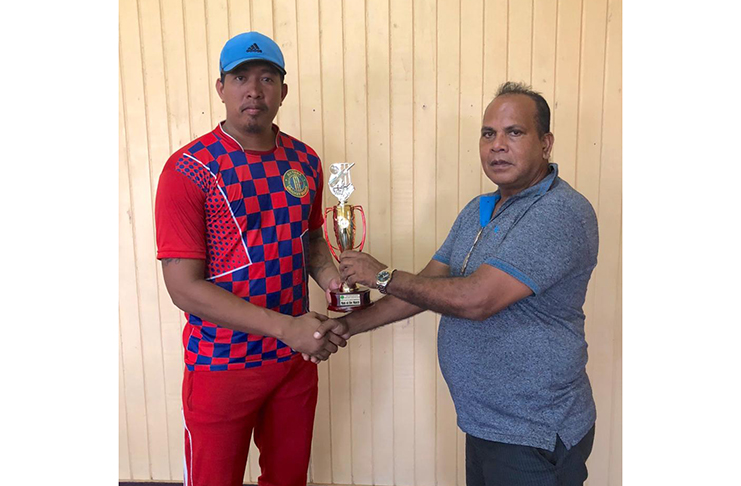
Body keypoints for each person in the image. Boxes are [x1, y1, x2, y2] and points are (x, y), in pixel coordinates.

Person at [313, 81, 599, 486]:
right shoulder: (477, 211)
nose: (497, 145)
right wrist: (349, 325)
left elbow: (476, 299)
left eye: (514, 132)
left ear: (545, 143)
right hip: (486, 425)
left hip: (533, 431)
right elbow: (428, 287)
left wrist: (381, 276)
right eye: (488, 134)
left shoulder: (560, 212)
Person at [155, 31, 347, 486]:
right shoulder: (189, 169)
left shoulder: (305, 161)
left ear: (284, 89)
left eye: (267, 77)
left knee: (288, 479)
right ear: (221, 88)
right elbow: (183, 287)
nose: (254, 90)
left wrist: (333, 281)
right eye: (240, 77)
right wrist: (287, 327)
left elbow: (311, 239)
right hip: (222, 365)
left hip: (294, 360)